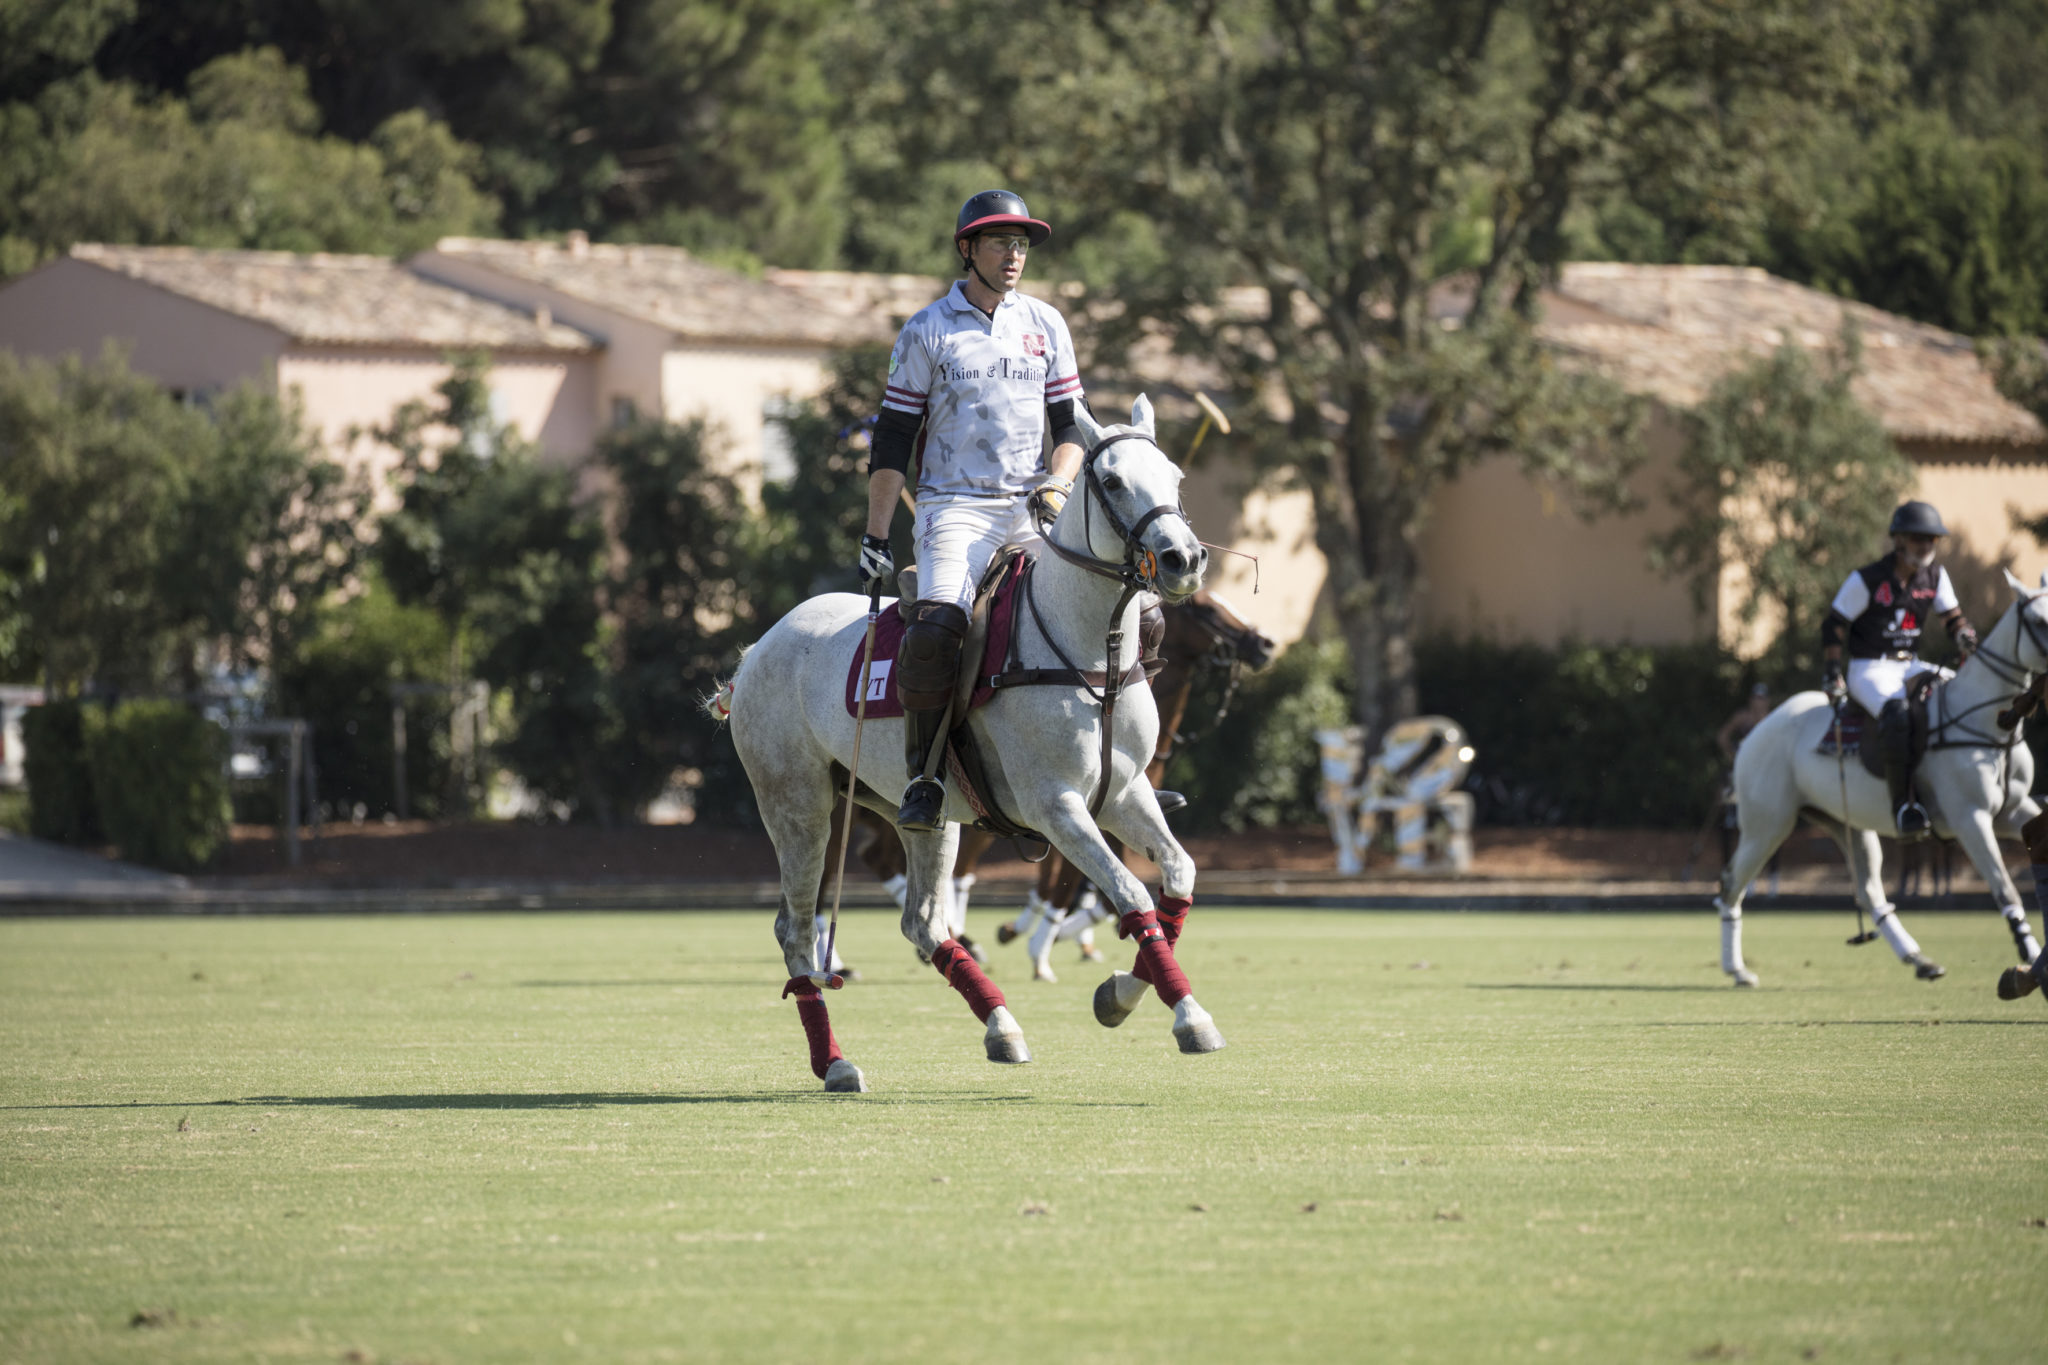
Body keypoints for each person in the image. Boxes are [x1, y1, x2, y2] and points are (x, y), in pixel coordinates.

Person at [857, 190, 1089, 831]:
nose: (1014, 255)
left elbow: (1070, 427)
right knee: (937, 631)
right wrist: (876, 534)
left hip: (1035, 506)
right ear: (968, 249)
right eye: (999, 243)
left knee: (1112, 605)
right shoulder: (927, 329)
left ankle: (1122, 767)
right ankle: (925, 777)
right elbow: (894, 436)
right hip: (953, 508)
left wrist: (1059, 483)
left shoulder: (1046, 324)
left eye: (1021, 244)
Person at [1819, 500, 1979, 836]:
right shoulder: (1867, 579)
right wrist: (1832, 670)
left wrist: (1963, 634)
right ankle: (1904, 806)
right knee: (1896, 713)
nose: (1926, 545)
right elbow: (1834, 624)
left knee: (1967, 692)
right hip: (1869, 667)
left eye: (1932, 539)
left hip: (1910, 664)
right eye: (1918, 538)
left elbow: (1952, 618)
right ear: (1899, 539)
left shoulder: (1935, 575)